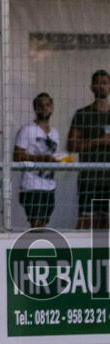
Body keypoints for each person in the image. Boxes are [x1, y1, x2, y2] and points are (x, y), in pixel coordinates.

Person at [68, 70, 110, 229]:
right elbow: (71, 145)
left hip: (108, 178)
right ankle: (81, 245)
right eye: (97, 83)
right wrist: (98, 141)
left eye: (104, 83)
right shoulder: (83, 114)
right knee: (85, 220)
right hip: (89, 178)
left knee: (106, 221)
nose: (101, 86)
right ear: (92, 87)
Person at [13, 93, 60, 228]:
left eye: (48, 105)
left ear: (52, 107)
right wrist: (42, 159)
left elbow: (54, 157)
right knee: (36, 225)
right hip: (32, 187)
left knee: (42, 225)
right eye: (41, 105)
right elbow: (17, 156)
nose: (45, 108)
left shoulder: (54, 133)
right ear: (35, 108)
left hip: (49, 186)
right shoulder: (27, 130)